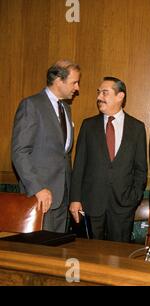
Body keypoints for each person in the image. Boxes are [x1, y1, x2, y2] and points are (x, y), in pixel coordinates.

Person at [69, 77, 147, 242]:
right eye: (98, 93)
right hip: (91, 204)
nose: (99, 97)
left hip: (123, 206)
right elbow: (79, 165)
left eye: (105, 92)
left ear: (120, 96)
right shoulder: (88, 126)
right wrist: (75, 199)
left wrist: (134, 198)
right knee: (90, 257)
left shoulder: (137, 128)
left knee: (118, 258)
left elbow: (141, 169)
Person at [11, 60, 81, 233]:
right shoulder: (31, 105)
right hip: (41, 197)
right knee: (39, 253)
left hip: (62, 196)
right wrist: (38, 188)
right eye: (74, 82)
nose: (77, 88)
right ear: (58, 80)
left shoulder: (66, 108)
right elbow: (19, 152)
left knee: (57, 251)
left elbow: (64, 154)